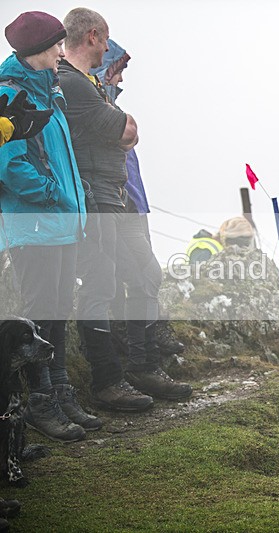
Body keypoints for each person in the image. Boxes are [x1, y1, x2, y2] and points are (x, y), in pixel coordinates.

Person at [59, 8, 190, 410]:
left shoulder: (88, 84)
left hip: (115, 194)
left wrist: (119, 123)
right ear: (94, 36)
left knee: (146, 273)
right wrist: (122, 122)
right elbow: (127, 130)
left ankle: (142, 366)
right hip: (95, 196)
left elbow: (123, 132)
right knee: (100, 284)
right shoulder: (72, 83)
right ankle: (107, 380)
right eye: (105, 40)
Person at [0, 11, 100, 441]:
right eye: (58, 45)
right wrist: (53, 194)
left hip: (60, 225)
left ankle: (61, 391)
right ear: (38, 49)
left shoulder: (50, 90)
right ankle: (41, 401)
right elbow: (10, 163)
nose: (64, 51)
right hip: (35, 225)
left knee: (57, 313)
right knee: (40, 316)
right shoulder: (9, 94)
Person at [88, 39, 186, 359]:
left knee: (143, 274)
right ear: (102, 69)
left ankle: (147, 339)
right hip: (114, 203)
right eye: (117, 70)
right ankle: (135, 352)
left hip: (133, 201)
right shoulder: (95, 108)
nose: (121, 79)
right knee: (128, 276)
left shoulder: (109, 106)